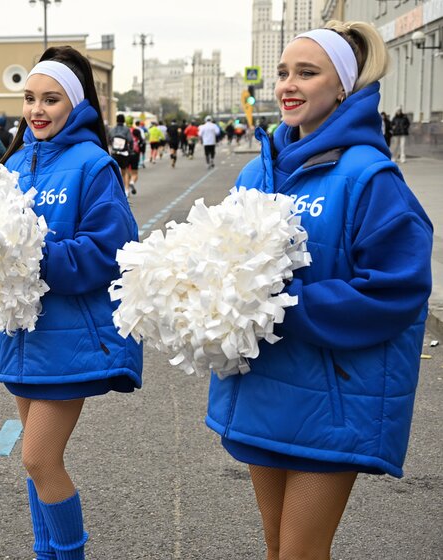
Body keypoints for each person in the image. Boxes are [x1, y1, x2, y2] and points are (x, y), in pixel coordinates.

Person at [207, 21, 432, 560]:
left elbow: (397, 290)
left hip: (330, 401)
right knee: (276, 546)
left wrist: (279, 306)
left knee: (302, 552)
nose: (288, 83)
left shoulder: (370, 177)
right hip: (263, 388)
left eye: (307, 73)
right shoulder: (256, 175)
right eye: (284, 72)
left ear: (344, 88)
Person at [0, 45, 143, 560]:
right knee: (33, 464)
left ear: (76, 105)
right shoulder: (15, 162)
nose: (37, 109)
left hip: (72, 337)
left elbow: (110, 250)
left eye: (51, 99)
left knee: (39, 458)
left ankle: (71, 555)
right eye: (30, 98)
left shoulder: (93, 165)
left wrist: (28, 257)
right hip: (21, 336)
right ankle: (47, 553)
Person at [107, 113, 134, 196]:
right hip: (124, 153)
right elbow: (130, 140)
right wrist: (131, 149)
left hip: (114, 153)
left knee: (113, 172)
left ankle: (114, 190)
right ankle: (126, 190)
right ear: (124, 121)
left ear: (117, 120)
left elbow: (109, 140)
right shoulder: (126, 130)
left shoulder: (112, 129)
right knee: (125, 171)